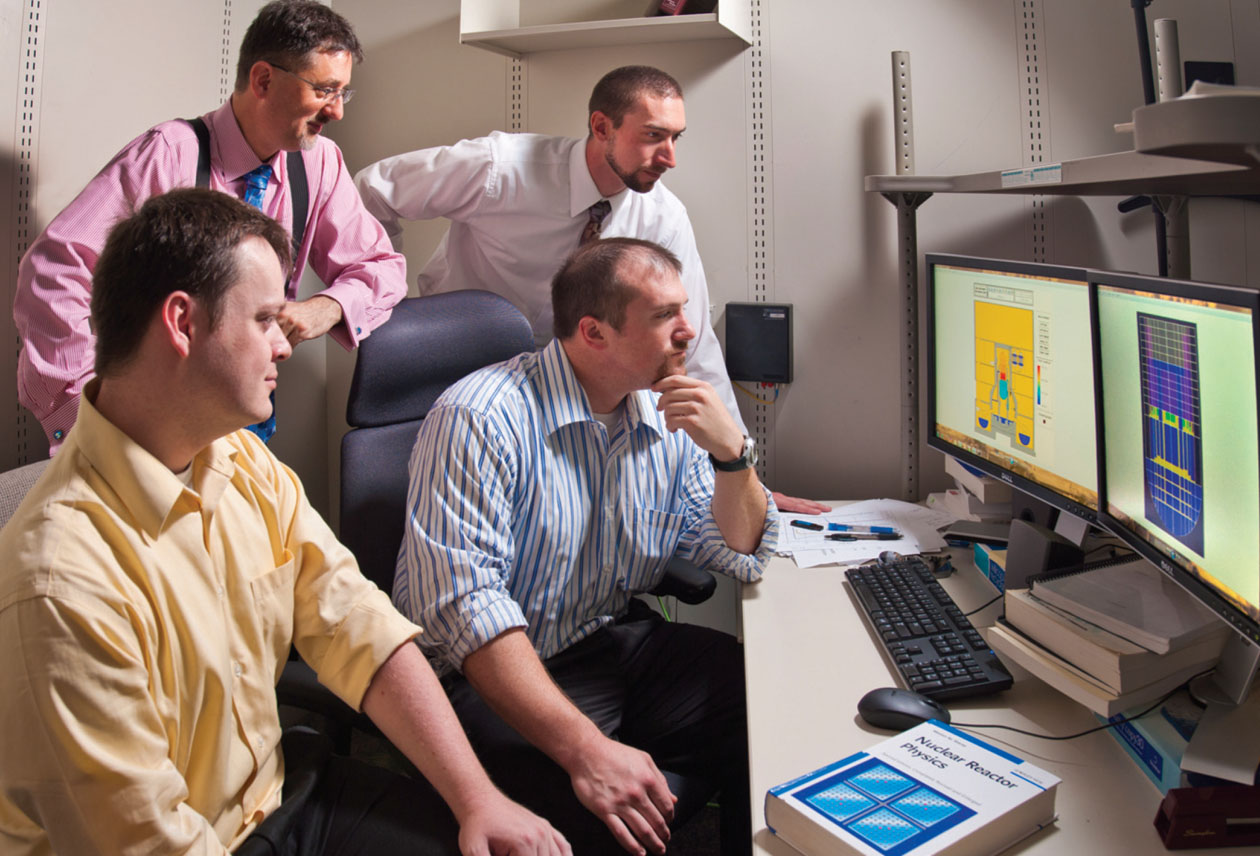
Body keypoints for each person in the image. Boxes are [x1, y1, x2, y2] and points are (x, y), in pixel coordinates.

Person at [0, 188, 569, 856]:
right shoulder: (60, 580)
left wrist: (480, 800)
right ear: (182, 323)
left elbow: (358, 625)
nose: (285, 345)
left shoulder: (234, 452)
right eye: (266, 319)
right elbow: (149, 842)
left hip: (277, 796)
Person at [393, 237, 780, 856]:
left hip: (602, 640)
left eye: (685, 310)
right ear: (594, 333)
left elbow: (737, 552)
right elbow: (468, 613)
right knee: (595, 823)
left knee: (764, 705)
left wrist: (734, 456)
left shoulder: (665, 414)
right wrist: (589, 752)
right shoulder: (479, 417)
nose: (689, 331)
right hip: (481, 674)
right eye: (664, 317)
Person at [354, 64, 829, 515]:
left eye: (675, 138)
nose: (670, 158)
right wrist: (389, 304)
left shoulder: (661, 217)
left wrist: (743, 476)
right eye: (652, 137)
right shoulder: (501, 168)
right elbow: (373, 191)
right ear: (602, 127)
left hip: (560, 394)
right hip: (456, 369)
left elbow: (694, 346)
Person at [15, 0, 406, 452]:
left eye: (343, 93)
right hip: (153, 433)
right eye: (324, 91)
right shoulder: (168, 155)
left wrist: (330, 306)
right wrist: (86, 416)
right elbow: (53, 272)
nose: (337, 111)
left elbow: (382, 267)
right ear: (263, 79)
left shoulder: (319, 163)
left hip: (249, 436)